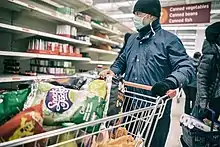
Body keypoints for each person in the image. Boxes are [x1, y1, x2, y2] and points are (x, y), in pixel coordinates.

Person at [100, 0, 195, 146]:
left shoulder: (169, 40)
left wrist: (169, 82)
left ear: (151, 16)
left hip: (156, 108)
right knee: (126, 141)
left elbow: (187, 67)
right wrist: (113, 71)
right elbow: (121, 61)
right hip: (130, 106)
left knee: (154, 143)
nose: (135, 18)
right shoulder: (132, 39)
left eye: (138, 14)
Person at [193, 22, 220, 121]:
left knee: (212, 126)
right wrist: (203, 100)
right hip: (208, 99)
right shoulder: (210, 55)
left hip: (216, 98)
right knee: (200, 128)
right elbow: (201, 78)